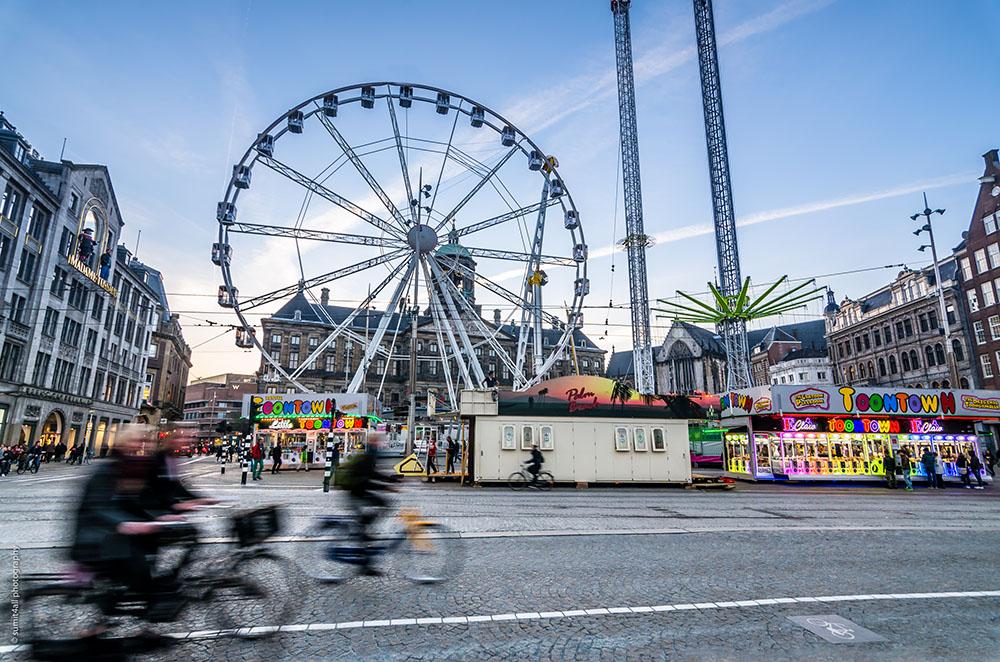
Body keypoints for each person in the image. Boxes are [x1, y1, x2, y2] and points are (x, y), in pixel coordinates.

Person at [339, 434, 397, 576]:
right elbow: (369, 478)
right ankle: (364, 565)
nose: (380, 444)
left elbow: (373, 474)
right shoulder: (368, 457)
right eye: (378, 441)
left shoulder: (368, 455)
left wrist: (391, 481)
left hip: (358, 491)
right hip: (355, 492)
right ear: (373, 442)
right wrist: (387, 486)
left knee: (373, 515)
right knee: (364, 527)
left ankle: (364, 531)